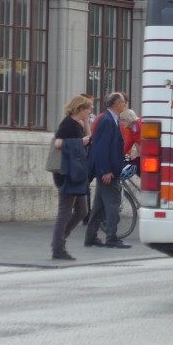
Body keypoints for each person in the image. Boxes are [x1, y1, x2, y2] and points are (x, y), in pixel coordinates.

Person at [83, 91, 130, 250]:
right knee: (113, 204)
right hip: (108, 172)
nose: (125, 104)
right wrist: (105, 171)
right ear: (116, 104)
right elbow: (101, 148)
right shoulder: (107, 121)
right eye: (123, 102)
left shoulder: (112, 120)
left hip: (108, 170)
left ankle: (90, 236)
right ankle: (111, 237)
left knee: (99, 206)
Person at [50, 94, 92, 260]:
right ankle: (58, 247)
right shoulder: (68, 123)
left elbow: (89, 140)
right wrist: (80, 142)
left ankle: (58, 241)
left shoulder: (78, 123)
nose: (90, 111)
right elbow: (58, 143)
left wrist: (87, 124)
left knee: (82, 211)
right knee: (65, 212)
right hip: (67, 173)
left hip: (77, 172)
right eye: (88, 108)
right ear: (80, 109)